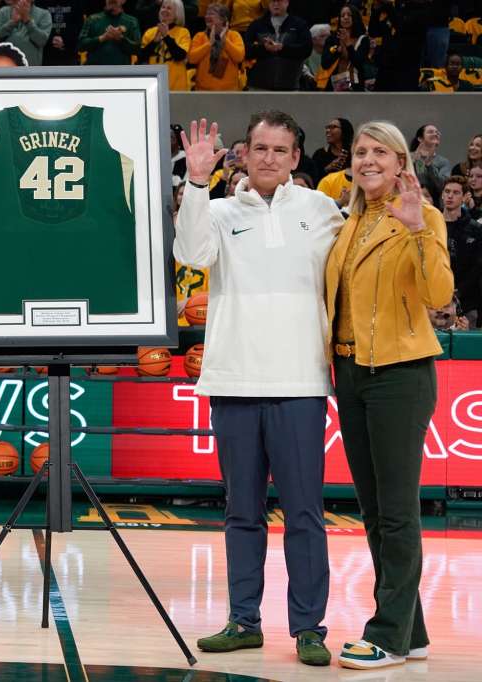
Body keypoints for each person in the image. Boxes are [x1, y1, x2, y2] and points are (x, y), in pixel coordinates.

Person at [175, 113, 344, 666]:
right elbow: (191, 254)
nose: (269, 157)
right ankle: (243, 620)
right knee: (241, 512)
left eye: (280, 149)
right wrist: (196, 182)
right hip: (234, 379)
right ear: (244, 154)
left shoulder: (322, 209)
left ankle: (309, 628)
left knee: (305, 514)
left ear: (296, 157)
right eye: (260, 148)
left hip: (300, 381)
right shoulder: (219, 211)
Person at [325, 120, 453, 670]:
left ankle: (388, 635)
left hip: (400, 373)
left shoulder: (423, 216)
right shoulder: (348, 222)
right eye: (361, 151)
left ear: (402, 162)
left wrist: (419, 231)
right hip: (351, 372)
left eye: (381, 151)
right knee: (375, 511)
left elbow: (439, 295)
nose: (368, 160)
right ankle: (411, 630)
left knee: (397, 512)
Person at [244, 0, 312, 91]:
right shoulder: (256, 25)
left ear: (287, 2)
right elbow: (245, 50)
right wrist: (264, 48)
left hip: (289, 86)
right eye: (273, 1)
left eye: (279, 1)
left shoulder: (299, 24)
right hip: (258, 86)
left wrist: (283, 48)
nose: (276, 4)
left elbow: (307, 49)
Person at [440, 176, 482, 321]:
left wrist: (460, 291)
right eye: (447, 191)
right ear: (442, 194)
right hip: (434, 301)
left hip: (467, 303)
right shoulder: (431, 226)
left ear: (464, 197)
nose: (450, 196)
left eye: (456, 192)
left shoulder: (476, 229)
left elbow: (478, 266)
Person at [188, 3, 244, 91]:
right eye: (207, 13)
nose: (207, 16)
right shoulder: (199, 36)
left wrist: (224, 41)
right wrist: (209, 44)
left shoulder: (234, 35)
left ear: (223, 19)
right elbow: (191, 59)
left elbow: (239, 57)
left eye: (211, 13)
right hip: (203, 90)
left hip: (229, 91)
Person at [139, 0, 191, 91]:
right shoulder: (150, 32)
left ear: (177, 13)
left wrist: (166, 37)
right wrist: (154, 42)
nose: (165, 10)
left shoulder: (183, 32)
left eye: (169, 8)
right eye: (163, 7)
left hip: (176, 87)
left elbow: (180, 56)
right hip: (154, 87)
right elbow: (141, 58)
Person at [0, 0, 52, 66]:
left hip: (30, 68)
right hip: (4, 66)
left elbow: (41, 40)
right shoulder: (3, 11)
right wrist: (12, 22)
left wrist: (27, 20)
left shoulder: (44, 14)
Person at [77, 0, 140, 67]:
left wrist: (121, 38)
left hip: (122, 70)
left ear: (123, 1)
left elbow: (137, 49)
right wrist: (102, 38)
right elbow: (80, 45)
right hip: (95, 70)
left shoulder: (131, 21)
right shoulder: (92, 20)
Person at [412, 123, 452, 206]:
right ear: (420, 138)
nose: (435, 134)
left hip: (435, 206)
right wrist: (417, 161)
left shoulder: (443, 162)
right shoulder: (409, 157)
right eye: (430, 132)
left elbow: (442, 186)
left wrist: (429, 165)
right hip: (411, 203)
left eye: (437, 132)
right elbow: (420, 180)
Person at [311, 117, 353, 184]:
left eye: (333, 127)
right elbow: (313, 180)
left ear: (344, 131)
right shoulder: (319, 155)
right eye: (327, 127)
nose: (328, 130)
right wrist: (327, 169)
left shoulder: (354, 154)